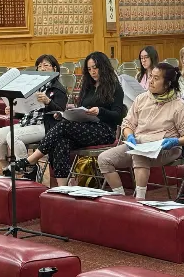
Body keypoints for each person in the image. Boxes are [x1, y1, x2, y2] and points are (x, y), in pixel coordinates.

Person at [6, 52, 125, 185]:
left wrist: (100, 111)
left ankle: (30, 161)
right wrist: (64, 115)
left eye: (95, 68)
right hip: (86, 127)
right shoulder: (88, 87)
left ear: (103, 67)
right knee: (61, 141)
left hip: (105, 131)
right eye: (89, 69)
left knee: (62, 127)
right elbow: (80, 109)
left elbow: (118, 116)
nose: (92, 72)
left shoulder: (115, 87)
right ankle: (64, 188)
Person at [98, 62, 184, 199]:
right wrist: (129, 136)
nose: (151, 81)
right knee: (104, 159)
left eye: (156, 79)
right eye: (151, 77)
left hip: (167, 148)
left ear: (167, 83)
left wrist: (175, 141)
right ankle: (120, 197)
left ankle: (140, 199)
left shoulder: (180, 106)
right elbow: (128, 123)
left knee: (139, 153)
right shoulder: (142, 99)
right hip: (139, 143)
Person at [0, 54, 67, 162]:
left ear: (54, 68)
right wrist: (14, 112)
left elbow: (60, 113)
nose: (42, 68)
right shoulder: (32, 86)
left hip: (46, 125)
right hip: (28, 122)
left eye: (46, 65)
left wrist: (48, 102)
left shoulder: (57, 89)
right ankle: (6, 170)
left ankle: (28, 168)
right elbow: (26, 110)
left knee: (13, 136)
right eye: (39, 66)